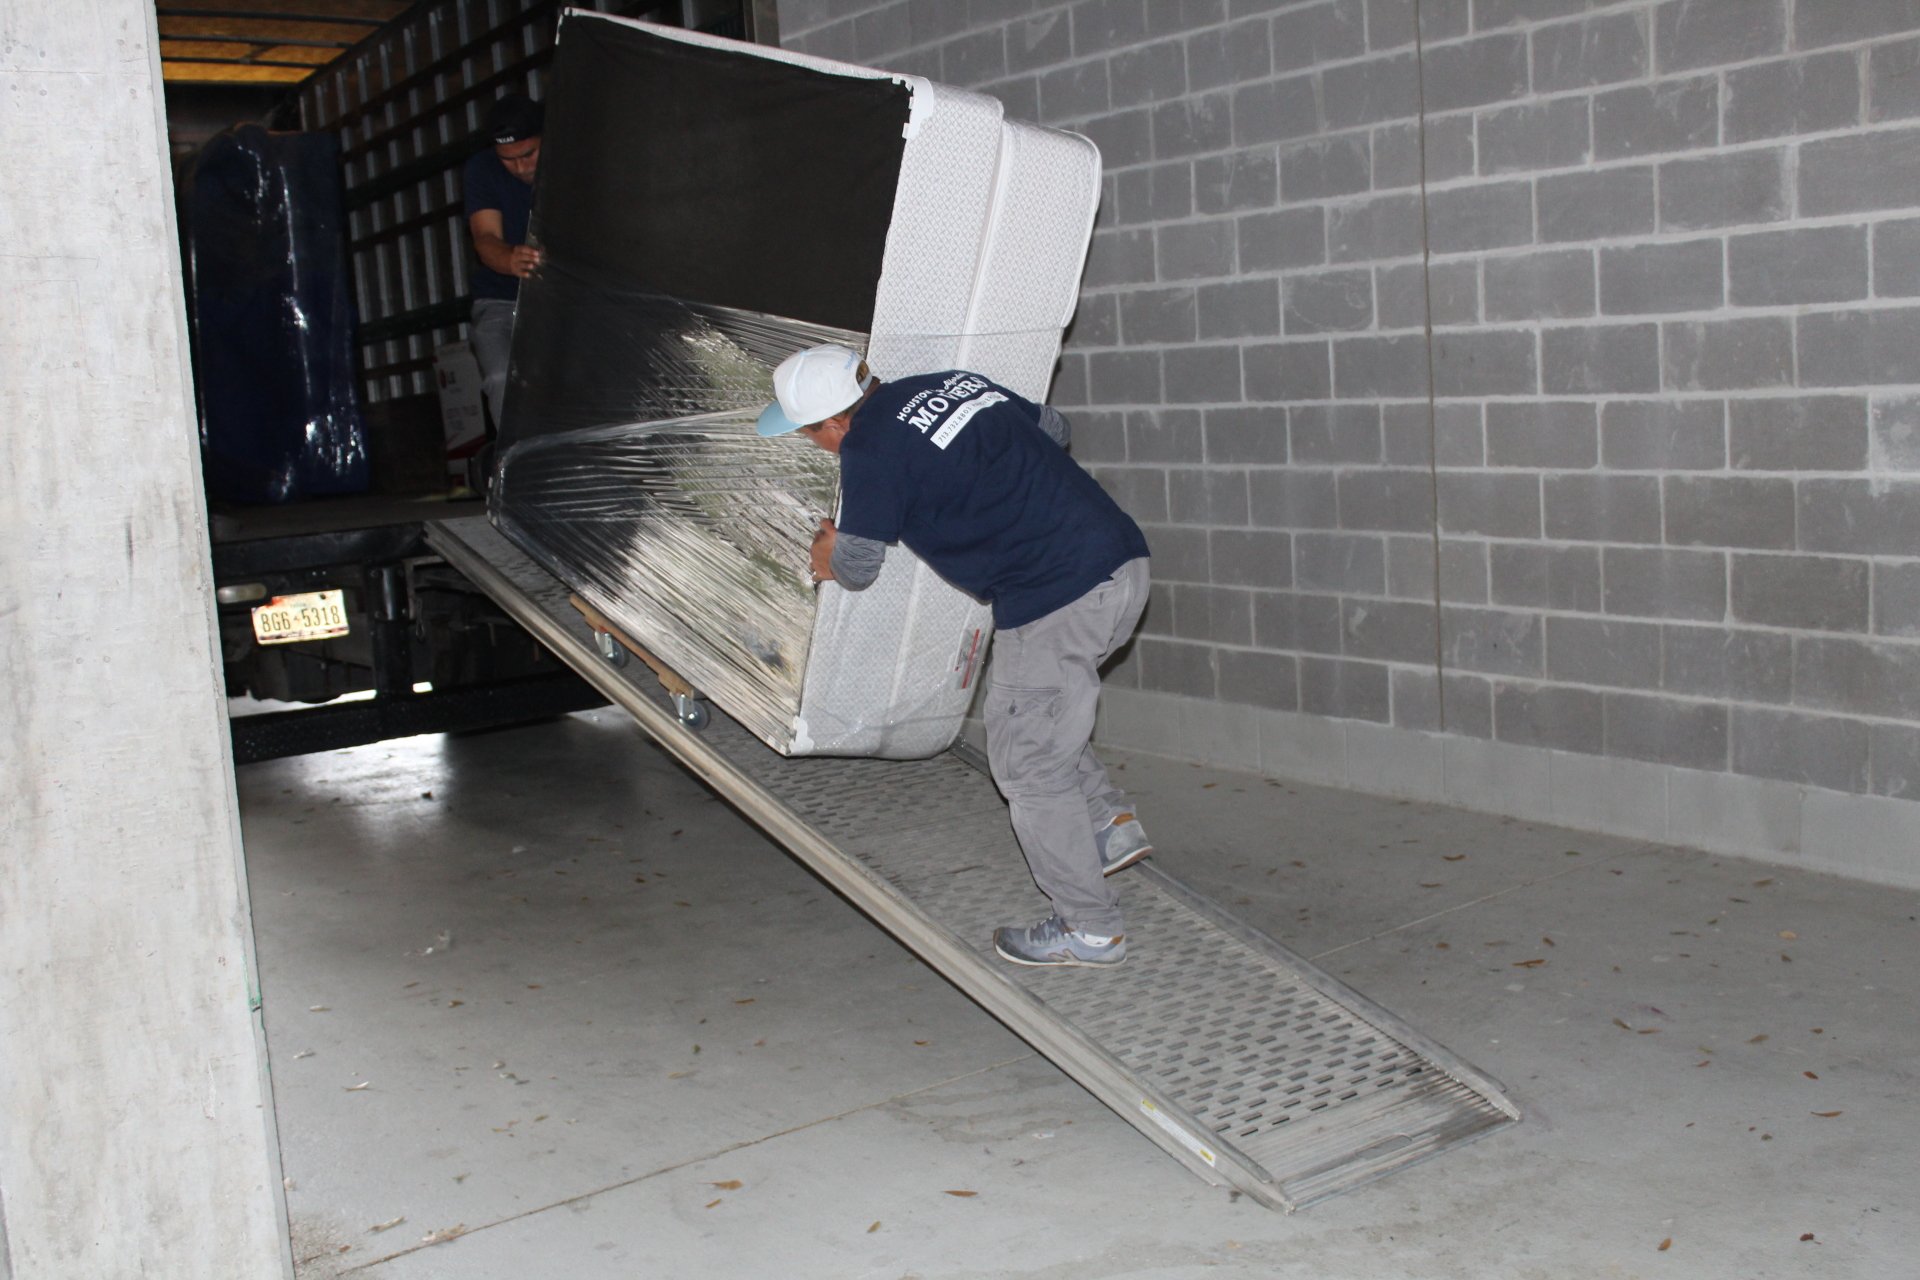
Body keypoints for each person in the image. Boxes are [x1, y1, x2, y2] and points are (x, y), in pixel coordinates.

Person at [758, 344, 1153, 968]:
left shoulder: (868, 449)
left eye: (809, 434)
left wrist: (824, 554)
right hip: (1121, 561)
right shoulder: (951, 383)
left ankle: (1091, 930)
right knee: (1039, 720)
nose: (814, 445)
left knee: (1027, 768)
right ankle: (1108, 826)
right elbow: (1055, 429)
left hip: (1055, 596)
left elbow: (857, 568)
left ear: (834, 423)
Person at [462, 93, 544, 430]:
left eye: (528, 155)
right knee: (500, 376)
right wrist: (509, 259)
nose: (521, 168)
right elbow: (485, 239)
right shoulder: (482, 170)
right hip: (502, 300)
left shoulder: (575, 158)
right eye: (508, 160)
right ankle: (517, 474)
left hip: (568, 301)